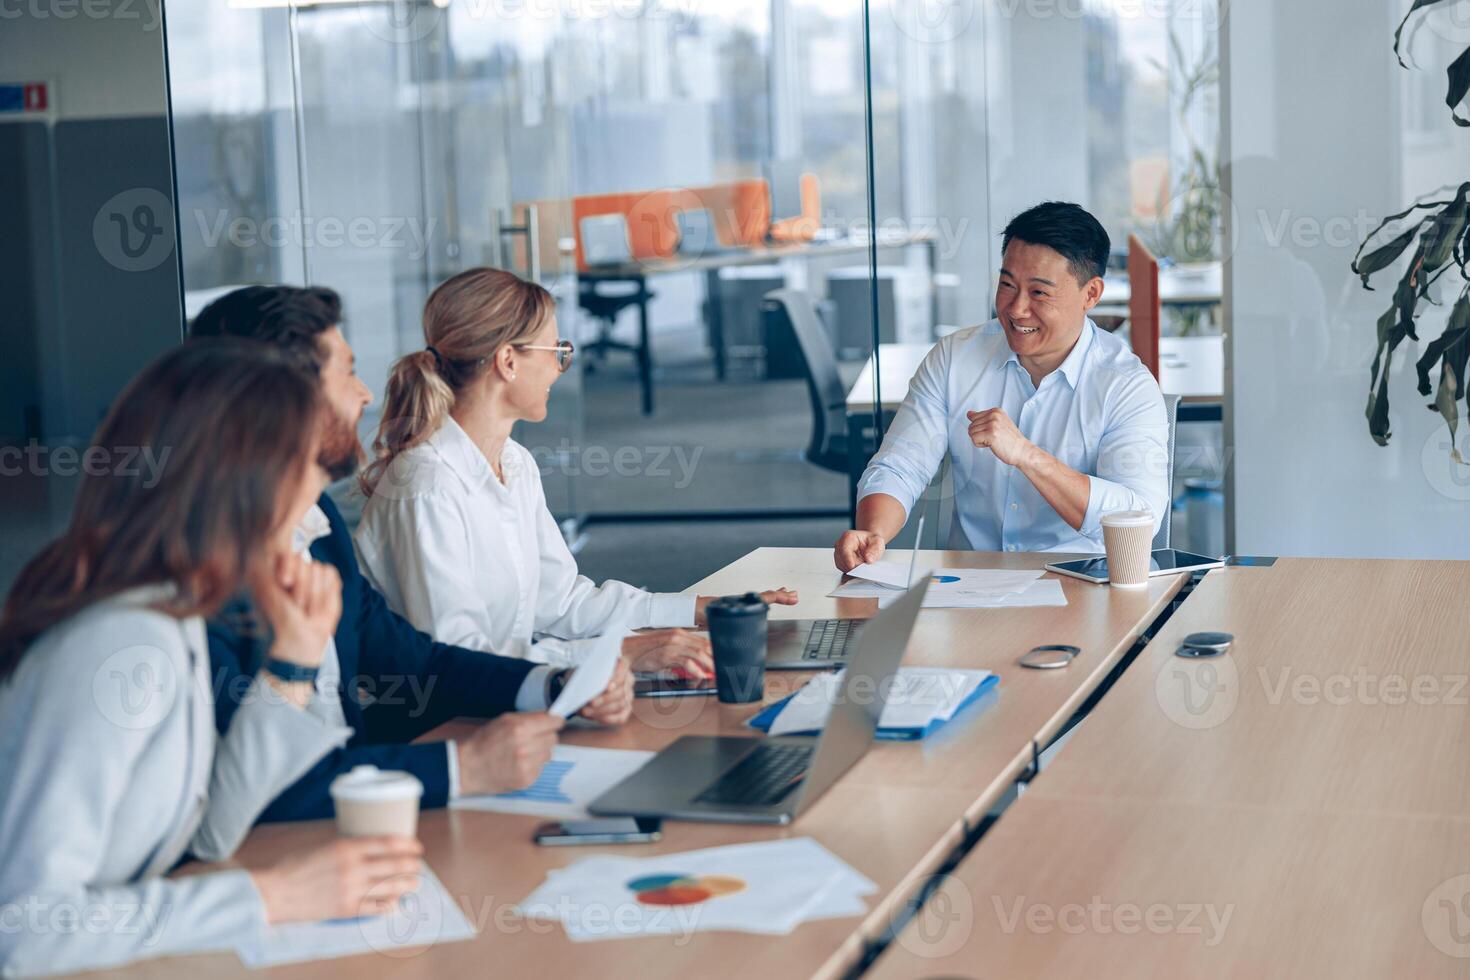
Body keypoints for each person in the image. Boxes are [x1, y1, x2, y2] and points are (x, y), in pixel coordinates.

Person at [0, 341, 423, 978]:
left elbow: (208, 836)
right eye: (302, 493)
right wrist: (272, 897)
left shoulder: (175, 616)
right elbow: (24, 927)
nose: (308, 522)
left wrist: (294, 662)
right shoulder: (122, 645)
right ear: (242, 494)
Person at [189, 286, 632, 826]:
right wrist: (461, 766)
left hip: (352, 826)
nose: (365, 395)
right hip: (277, 853)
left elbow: (415, 660)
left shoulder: (317, 526)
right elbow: (248, 792)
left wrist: (553, 685)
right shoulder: (198, 574)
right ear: (287, 400)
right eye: (347, 374)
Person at [352, 267, 797, 674]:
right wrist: (621, 655)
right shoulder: (427, 485)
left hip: (504, 697)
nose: (560, 367)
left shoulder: (514, 463)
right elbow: (459, 657)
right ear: (508, 361)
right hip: (442, 720)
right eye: (557, 351)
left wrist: (696, 611)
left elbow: (561, 602)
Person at [835, 201, 1169, 571]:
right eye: (1007, 284)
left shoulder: (1126, 385)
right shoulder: (955, 358)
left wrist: (1027, 455)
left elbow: (1139, 516)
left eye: (1039, 293)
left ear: (1091, 294)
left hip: (1082, 585)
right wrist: (873, 533)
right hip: (970, 585)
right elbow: (900, 466)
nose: (1015, 308)